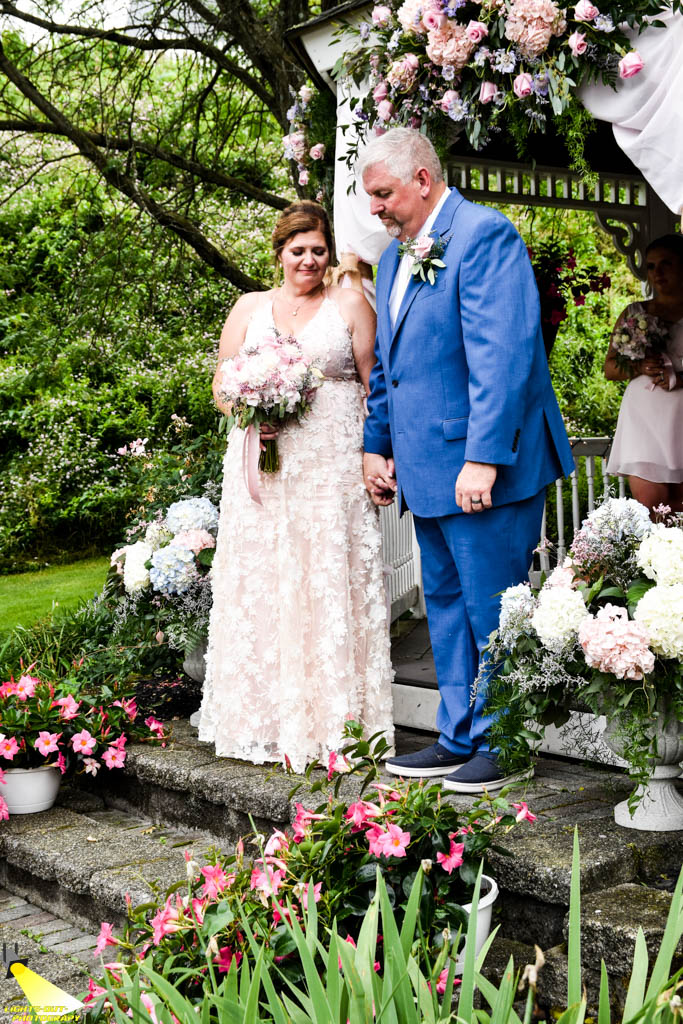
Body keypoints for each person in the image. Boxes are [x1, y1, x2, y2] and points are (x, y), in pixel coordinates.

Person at [360, 128, 574, 793]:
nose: (375, 207)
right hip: (426, 467)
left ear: (422, 180)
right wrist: (376, 445)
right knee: (447, 609)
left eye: (383, 193)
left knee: (492, 612)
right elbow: (390, 370)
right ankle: (458, 737)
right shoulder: (392, 261)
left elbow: (503, 355)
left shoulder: (485, 235)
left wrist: (482, 457)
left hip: (486, 469)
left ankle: (504, 743)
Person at [197, 200, 394, 772]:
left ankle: (337, 724)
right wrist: (250, 407)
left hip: (331, 469)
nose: (309, 260)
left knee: (326, 578)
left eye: (319, 250)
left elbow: (376, 385)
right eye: (298, 250)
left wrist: (377, 455)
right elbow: (221, 385)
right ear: (280, 252)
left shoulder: (350, 304)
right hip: (264, 469)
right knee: (265, 580)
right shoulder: (249, 307)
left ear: (329, 254)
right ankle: (264, 721)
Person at [605, 234, 683, 513]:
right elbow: (610, 368)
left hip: (681, 414)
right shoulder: (635, 313)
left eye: (666, 264)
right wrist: (639, 366)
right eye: (651, 266)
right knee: (652, 509)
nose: (657, 273)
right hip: (644, 416)